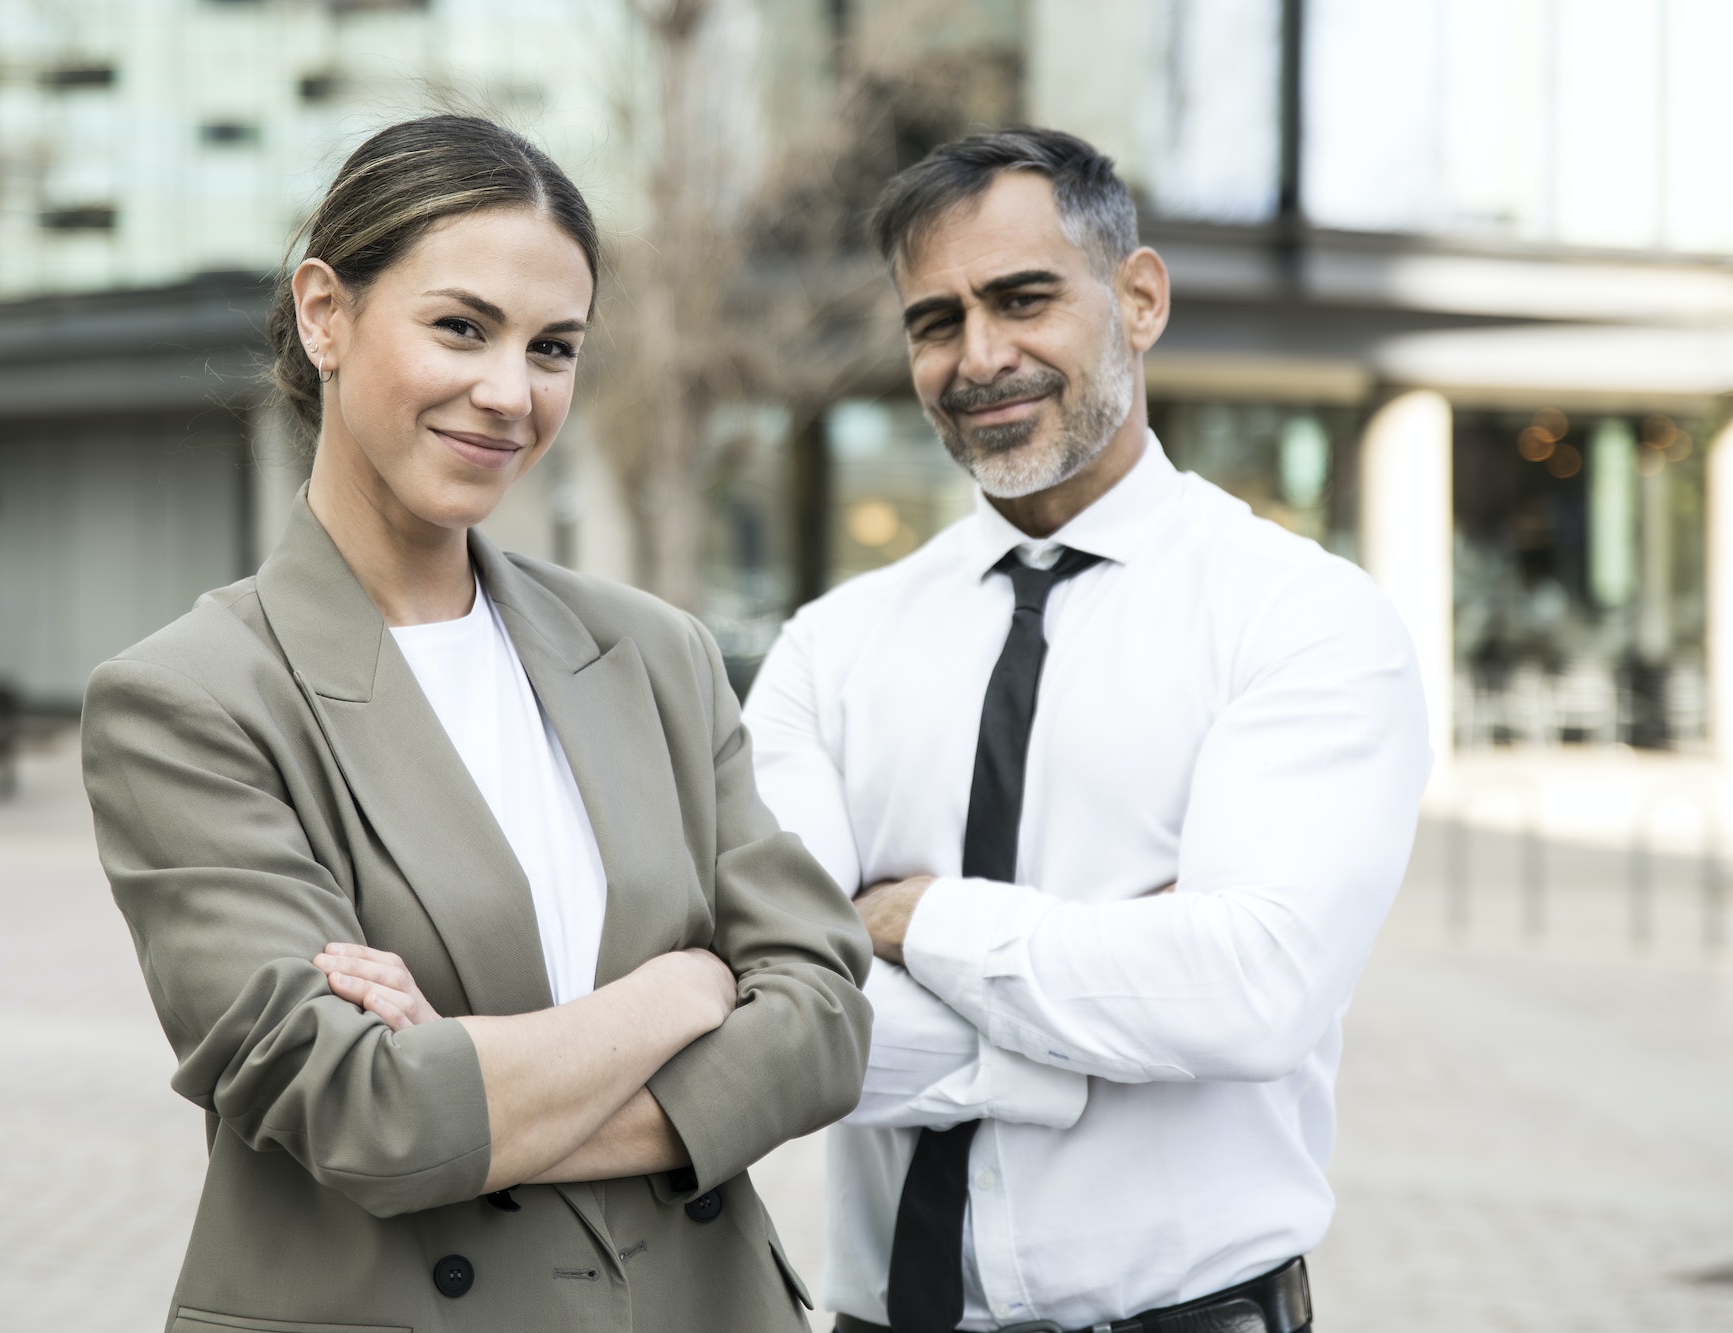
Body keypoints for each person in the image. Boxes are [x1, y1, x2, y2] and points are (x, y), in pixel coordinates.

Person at [80, 115, 872, 1333]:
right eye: (460, 327)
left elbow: (819, 1017)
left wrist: (478, 1090)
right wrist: (683, 989)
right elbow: (370, 1116)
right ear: (322, 314)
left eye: (553, 347)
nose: (509, 393)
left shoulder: (653, 652)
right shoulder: (191, 699)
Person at [743, 127, 1430, 1333]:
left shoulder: (1298, 617)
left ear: (1138, 299)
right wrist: (1096, 1006)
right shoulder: (827, 650)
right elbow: (779, 1009)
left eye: (1021, 299)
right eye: (934, 320)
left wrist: (916, 920)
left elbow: (1251, 992)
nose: (979, 356)